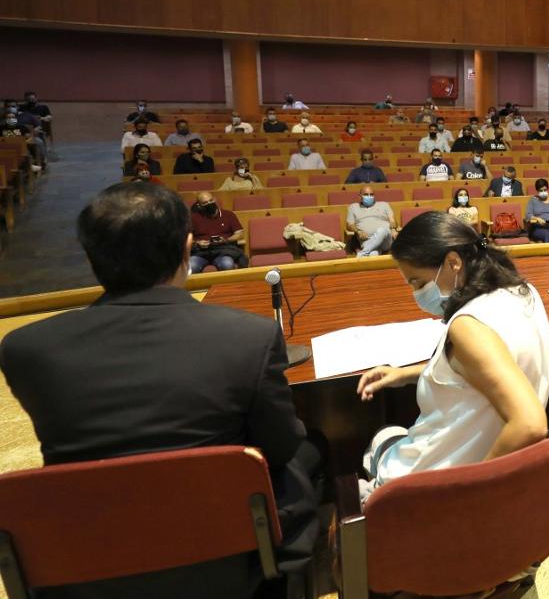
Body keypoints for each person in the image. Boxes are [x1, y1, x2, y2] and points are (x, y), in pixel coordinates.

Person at [0, 183, 320, 592]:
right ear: (188, 247)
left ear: (89, 255)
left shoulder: (25, 349)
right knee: (310, 450)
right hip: (226, 556)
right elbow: (279, 446)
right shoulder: (249, 337)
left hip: (88, 559)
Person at [355, 213, 549, 498]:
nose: (416, 293)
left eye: (418, 282)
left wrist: (474, 493)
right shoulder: (523, 292)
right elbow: (481, 369)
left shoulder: (467, 328)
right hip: (504, 463)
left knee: (381, 438)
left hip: (443, 479)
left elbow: (530, 423)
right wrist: (406, 373)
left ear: (453, 262)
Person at [189, 191, 246, 272]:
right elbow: (186, 238)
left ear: (214, 200)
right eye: (205, 202)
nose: (209, 203)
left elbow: (240, 233)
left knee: (227, 264)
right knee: (191, 266)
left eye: (211, 200)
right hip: (201, 252)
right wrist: (198, 243)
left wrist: (226, 240)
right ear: (199, 205)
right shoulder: (194, 218)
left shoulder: (228, 214)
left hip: (223, 250)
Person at [348, 187, 398, 257]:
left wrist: (393, 229)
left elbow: (393, 220)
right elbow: (350, 224)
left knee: (382, 230)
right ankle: (370, 252)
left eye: (371, 194)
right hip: (366, 240)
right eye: (366, 194)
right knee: (373, 254)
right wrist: (358, 231)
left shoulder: (384, 204)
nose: (369, 197)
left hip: (385, 240)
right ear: (359, 196)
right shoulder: (353, 207)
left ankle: (362, 254)